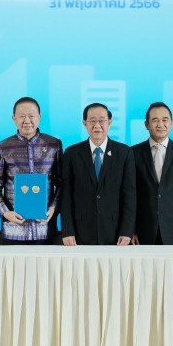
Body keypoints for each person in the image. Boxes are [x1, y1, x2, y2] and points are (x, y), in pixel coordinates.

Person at [0, 97, 63, 245]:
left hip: (45, 228)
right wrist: (5, 212)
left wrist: (53, 208)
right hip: (13, 230)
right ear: (14, 118)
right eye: (22, 116)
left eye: (31, 116)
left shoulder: (54, 145)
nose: (27, 121)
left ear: (39, 117)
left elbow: (62, 184)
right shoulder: (4, 147)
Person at [61, 103, 136, 246]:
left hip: (115, 232)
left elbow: (130, 196)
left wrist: (127, 231)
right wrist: (68, 230)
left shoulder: (124, 153)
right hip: (80, 232)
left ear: (109, 122)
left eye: (102, 120)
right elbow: (66, 195)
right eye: (92, 121)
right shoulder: (72, 153)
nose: (97, 125)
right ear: (84, 123)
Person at [131, 102, 173, 245]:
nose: (160, 124)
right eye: (155, 120)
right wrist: (131, 230)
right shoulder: (133, 153)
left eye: (165, 120)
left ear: (171, 123)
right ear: (146, 124)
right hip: (143, 229)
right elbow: (130, 195)